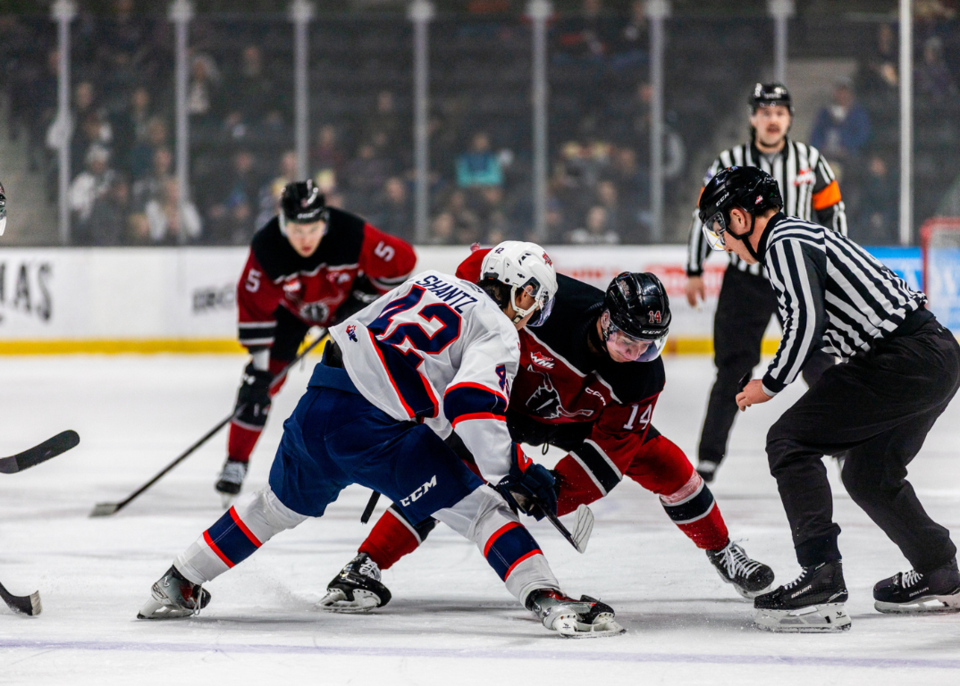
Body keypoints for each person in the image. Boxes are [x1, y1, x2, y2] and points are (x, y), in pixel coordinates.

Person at [139, 242, 624, 638]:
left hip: (320, 402)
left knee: (272, 508)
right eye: (533, 298)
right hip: (378, 431)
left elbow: (357, 337)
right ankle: (547, 599)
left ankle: (179, 579)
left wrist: (417, 420)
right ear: (520, 292)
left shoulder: (429, 280)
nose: (535, 310)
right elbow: (470, 406)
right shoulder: (500, 330)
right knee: (482, 510)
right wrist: (511, 472)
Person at [318, 252, 774, 613]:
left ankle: (724, 551)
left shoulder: (642, 377)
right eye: (626, 341)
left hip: (582, 424)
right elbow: (475, 269)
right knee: (442, 474)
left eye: (649, 346)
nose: (636, 353)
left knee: (666, 463)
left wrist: (551, 493)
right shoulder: (554, 304)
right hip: (502, 407)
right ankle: (365, 564)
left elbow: (607, 461)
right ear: (605, 320)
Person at [698, 166, 960, 633]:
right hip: (933, 355)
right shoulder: (800, 235)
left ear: (740, 218)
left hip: (902, 357)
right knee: (868, 472)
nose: (726, 245)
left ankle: (822, 576)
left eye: (721, 230)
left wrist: (769, 383)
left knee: (789, 441)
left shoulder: (783, 243)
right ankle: (940, 571)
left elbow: (805, 323)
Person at [214, 180, 416, 504]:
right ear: (282, 223)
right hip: (290, 316)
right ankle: (235, 462)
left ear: (325, 221)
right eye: (296, 229)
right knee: (255, 386)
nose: (305, 239)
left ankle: (398, 459)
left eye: (312, 229)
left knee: (378, 379)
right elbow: (256, 309)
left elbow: (402, 262)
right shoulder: (267, 247)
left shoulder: (350, 233)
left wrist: (362, 300)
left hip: (345, 314)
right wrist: (263, 374)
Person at [685, 83, 848, 483]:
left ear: (789, 118)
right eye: (764, 111)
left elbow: (833, 216)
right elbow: (702, 218)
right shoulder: (729, 160)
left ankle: (846, 442)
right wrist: (694, 268)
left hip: (797, 274)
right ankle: (708, 460)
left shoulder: (811, 160)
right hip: (746, 280)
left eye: (779, 111)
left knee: (820, 364)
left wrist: (833, 268)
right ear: (752, 117)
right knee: (732, 370)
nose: (772, 119)